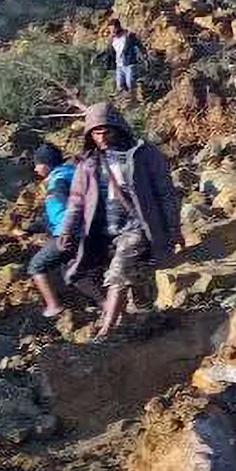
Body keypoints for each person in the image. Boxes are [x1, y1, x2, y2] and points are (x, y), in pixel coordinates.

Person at [55, 102, 182, 338]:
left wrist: (174, 229)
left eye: (106, 131)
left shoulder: (144, 155)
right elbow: (76, 201)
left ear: (118, 128)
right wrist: (66, 231)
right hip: (103, 231)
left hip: (138, 226)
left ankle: (107, 329)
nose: (101, 137)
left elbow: (166, 193)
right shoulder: (88, 163)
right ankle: (145, 315)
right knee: (130, 276)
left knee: (119, 272)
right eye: (96, 132)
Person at [27, 142, 79, 319]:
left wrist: (65, 233)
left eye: (37, 164)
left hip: (70, 233)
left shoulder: (57, 182)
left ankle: (53, 306)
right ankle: (104, 304)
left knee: (36, 266)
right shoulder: (73, 173)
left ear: (46, 164)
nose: (35, 169)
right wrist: (31, 229)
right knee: (73, 272)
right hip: (91, 230)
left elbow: (62, 213)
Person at [106, 19, 146, 100]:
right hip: (119, 65)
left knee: (130, 82)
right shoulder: (112, 40)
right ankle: (127, 99)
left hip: (129, 63)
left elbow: (139, 45)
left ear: (118, 27)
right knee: (120, 85)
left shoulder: (128, 36)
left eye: (113, 29)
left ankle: (136, 97)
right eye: (110, 30)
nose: (112, 32)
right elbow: (111, 53)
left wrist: (144, 54)